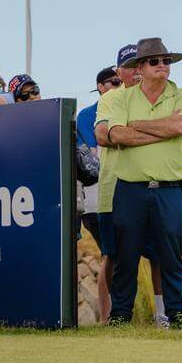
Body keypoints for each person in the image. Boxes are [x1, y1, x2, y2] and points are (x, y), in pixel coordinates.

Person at [98, 38, 182, 329]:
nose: (162, 66)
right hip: (130, 188)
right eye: (155, 61)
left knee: (170, 255)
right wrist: (162, 130)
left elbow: (180, 127)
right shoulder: (121, 98)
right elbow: (114, 135)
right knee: (125, 256)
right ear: (140, 67)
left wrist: (136, 124)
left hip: (170, 187)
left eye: (166, 61)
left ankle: (179, 313)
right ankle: (121, 314)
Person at [94, 44, 167, 326]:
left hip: (152, 185)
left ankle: (162, 315)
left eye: (141, 65)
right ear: (119, 71)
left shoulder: (159, 96)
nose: (136, 71)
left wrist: (127, 131)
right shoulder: (111, 99)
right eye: (130, 66)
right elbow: (103, 134)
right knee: (115, 255)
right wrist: (157, 132)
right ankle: (115, 316)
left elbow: (175, 129)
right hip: (113, 188)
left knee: (158, 253)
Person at [76, 66, 121, 318]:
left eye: (120, 82)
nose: (118, 86)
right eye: (113, 82)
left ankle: (118, 314)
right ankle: (107, 316)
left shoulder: (126, 107)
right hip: (94, 199)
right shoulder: (87, 115)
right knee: (109, 255)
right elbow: (93, 157)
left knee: (119, 255)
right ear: (101, 87)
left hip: (122, 194)